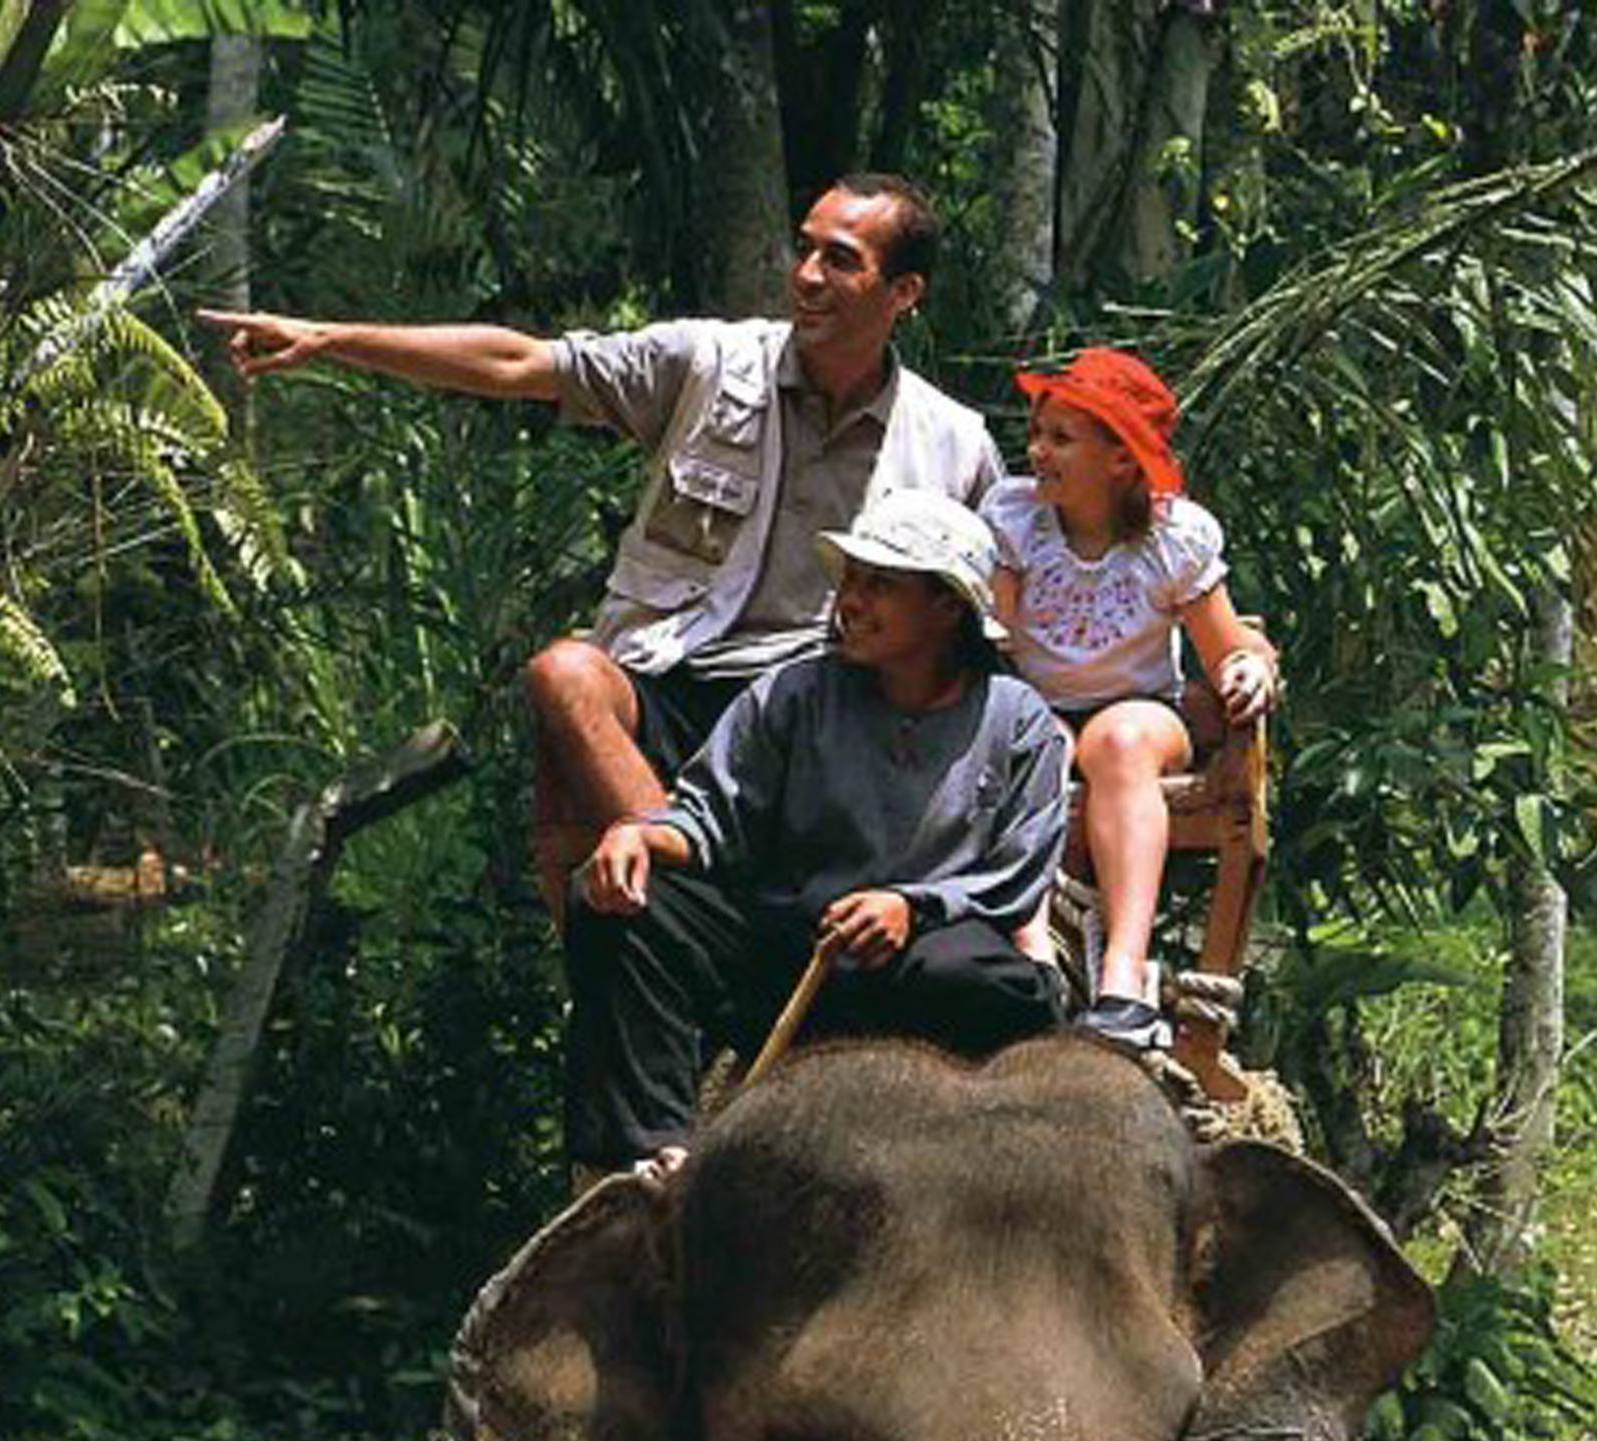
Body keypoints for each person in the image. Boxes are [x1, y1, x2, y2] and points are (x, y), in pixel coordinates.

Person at [201, 174, 1002, 919]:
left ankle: (688, 904)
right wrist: (328, 337)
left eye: (840, 259)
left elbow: (986, 631)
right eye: (805, 248)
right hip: (667, 673)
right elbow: (519, 362)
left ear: (904, 292)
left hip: (818, 707)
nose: (807, 276)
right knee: (565, 673)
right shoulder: (710, 363)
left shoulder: (953, 444)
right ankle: (689, 895)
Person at [562, 491, 1065, 1170]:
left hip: (919, 971)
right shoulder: (794, 694)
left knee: (983, 980)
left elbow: (1016, 874)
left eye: (879, 585)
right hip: (796, 955)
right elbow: (712, 815)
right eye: (850, 581)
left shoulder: (1016, 719)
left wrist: (911, 908)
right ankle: (649, 1152)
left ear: (947, 607)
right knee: (616, 901)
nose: (850, 600)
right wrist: (640, 835)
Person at [981, 347, 1277, 1052]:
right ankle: (1032, 945)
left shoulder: (1172, 536)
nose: (1037, 452)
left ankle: (1124, 972)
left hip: (1141, 710)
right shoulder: (1015, 519)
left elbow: (1226, 645)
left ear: (1119, 459)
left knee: (1117, 742)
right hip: (1036, 705)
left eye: (1061, 438)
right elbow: (993, 636)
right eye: (1037, 434)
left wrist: (1246, 669)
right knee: (1036, 737)